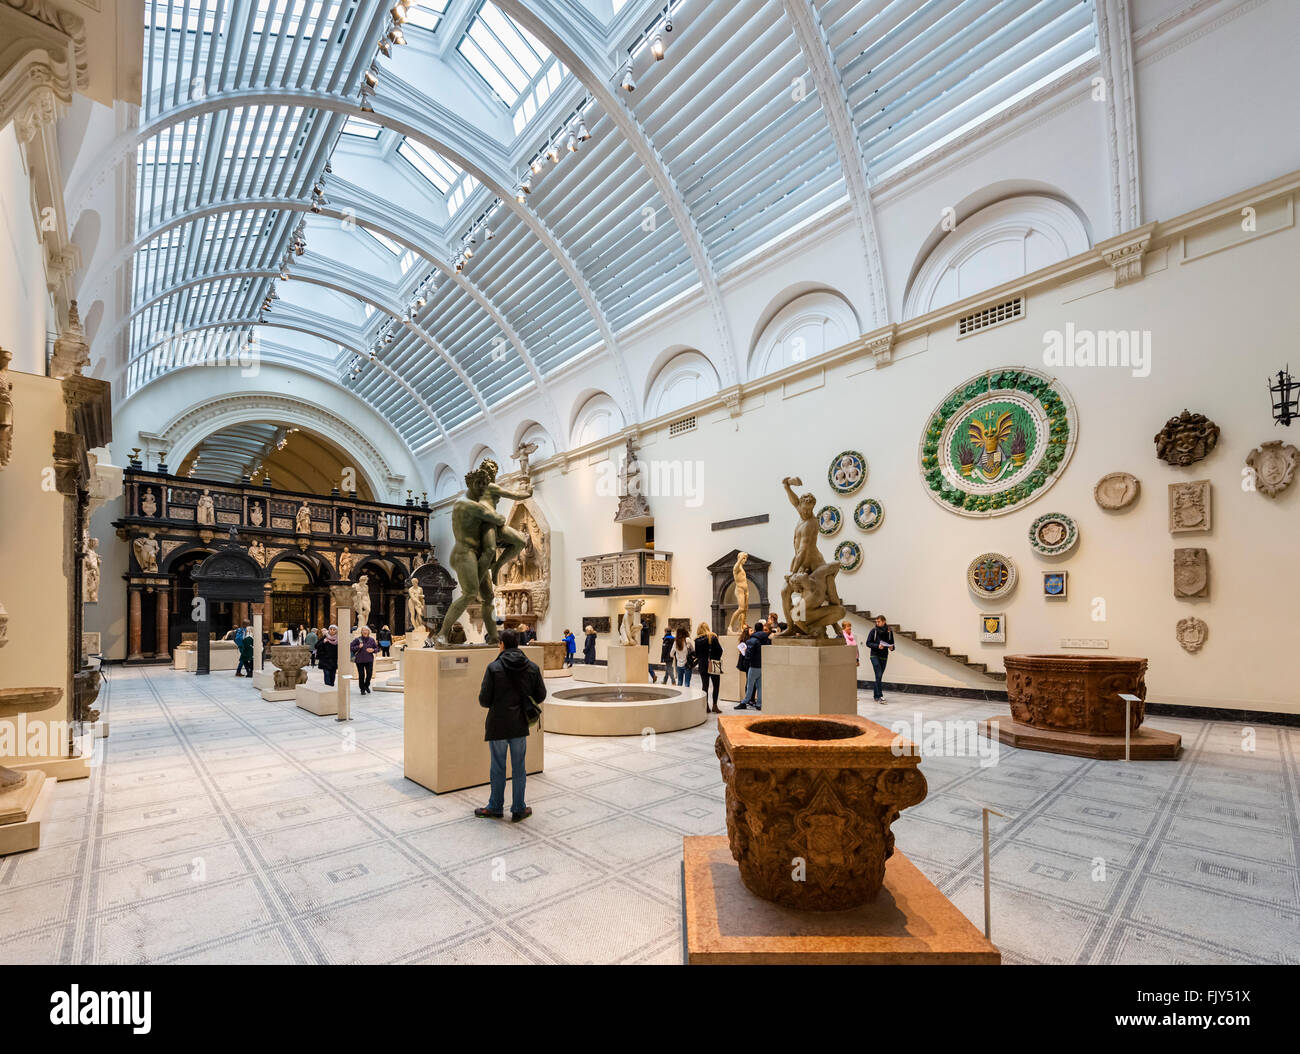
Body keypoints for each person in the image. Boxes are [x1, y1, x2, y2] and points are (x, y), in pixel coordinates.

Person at [475, 629, 546, 823]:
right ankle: (518, 809)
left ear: (502, 644)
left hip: (498, 724)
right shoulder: (531, 667)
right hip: (519, 724)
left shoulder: (493, 667)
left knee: (497, 767)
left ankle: (495, 807)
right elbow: (540, 696)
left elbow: (484, 700)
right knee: (519, 768)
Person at [736, 624, 770, 710]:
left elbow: (748, 655)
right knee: (759, 686)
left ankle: (744, 702)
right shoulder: (766, 639)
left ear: (755, 629)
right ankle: (759, 704)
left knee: (749, 685)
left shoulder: (752, 641)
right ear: (762, 629)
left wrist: (746, 664)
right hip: (763, 665)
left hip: (754, 666)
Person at [865, 614, 895, 703]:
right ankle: (880, 696)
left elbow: (892, 643)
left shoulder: (889, 631)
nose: (877, 623)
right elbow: (868, 643)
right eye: (876, 622)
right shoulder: (873, 631)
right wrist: (878, 646)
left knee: (879, 676)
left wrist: (892, 648)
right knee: (878, 673)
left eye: (879, 621)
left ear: (884, 621)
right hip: (874, 655)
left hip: (884, 655)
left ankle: (875, 695)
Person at [695, 622, 722, 714]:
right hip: (713, 663)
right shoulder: (713, 637)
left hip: (702, 665)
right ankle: (715, 705)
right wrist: (716, 658)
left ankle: (706, 706)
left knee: (705, 686)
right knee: (716, 685)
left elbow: (697, 654)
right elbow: (720, 650)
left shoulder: (697, 640)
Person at [351, 625, 380, 694]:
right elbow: (351, 647)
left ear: (368, 632)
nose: (365, 631)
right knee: (361, 675)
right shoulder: (357, 639)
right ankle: (362, 689)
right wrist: (358, 647)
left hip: (369, 660)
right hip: (359, 660)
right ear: (361, 632)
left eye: (366, 630)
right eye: (363, 630)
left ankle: (366, 686)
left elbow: (377, 649)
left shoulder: (372, 640)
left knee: (369, 674)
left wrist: (373, 650)